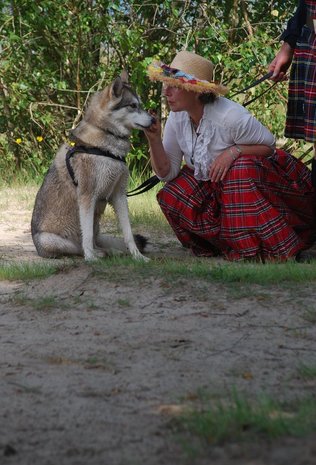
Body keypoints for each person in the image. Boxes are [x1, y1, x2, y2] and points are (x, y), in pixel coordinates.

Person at [144, 50, 316, 262]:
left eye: (174, 86)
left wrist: (233, 152)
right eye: (165, 84)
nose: (166, 92)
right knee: (172, 194)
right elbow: (166, 173)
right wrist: (154, 139)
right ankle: (229, 243)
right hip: (221, 188)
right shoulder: (176, 117)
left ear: (197, 90)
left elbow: (269, 147)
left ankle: (275, 247)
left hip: (265, 184)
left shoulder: (230, 116)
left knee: (239, 171)